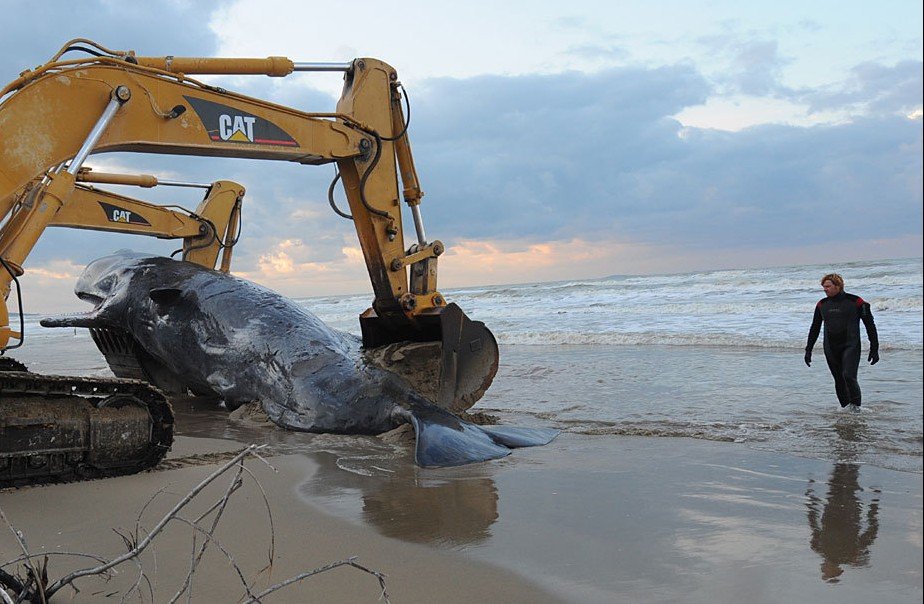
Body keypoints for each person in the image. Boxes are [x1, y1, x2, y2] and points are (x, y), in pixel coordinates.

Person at [804, 273, 879, 409]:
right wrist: (808, 350)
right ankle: (845, 411)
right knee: (839, 379)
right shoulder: (822, 304)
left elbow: (870, 325)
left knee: (848, 376)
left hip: (850, 345)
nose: (825, 289)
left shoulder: (856, 302)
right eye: (823, 287)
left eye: (828, 286)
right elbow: (815, 327)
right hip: (831, 347)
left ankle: (856, 410)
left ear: (838, 286)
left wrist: (875, 348)